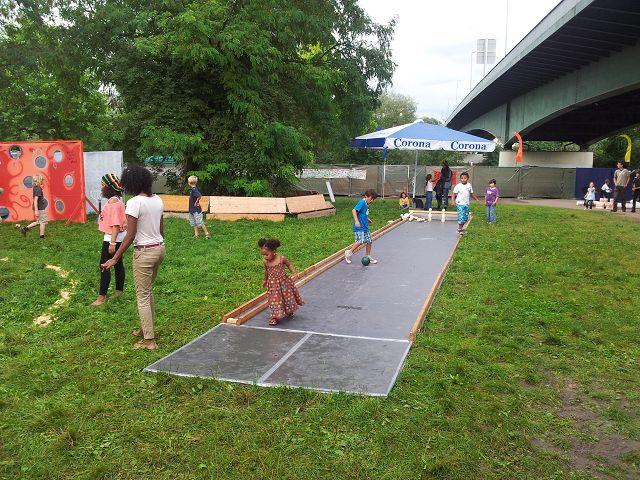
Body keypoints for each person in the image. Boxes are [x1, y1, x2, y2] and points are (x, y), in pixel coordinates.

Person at [101, 166, 165, 350]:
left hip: (144, 253)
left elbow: (130, 234)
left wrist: (115, 258)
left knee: (142, 296)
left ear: (132, 183)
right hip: (159, 249)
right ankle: (146, 328)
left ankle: (149, 341)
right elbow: (161, 229)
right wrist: (157, 243)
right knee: (147, 291)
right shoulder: (157, 199)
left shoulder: (135, 202)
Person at [91, 174, 126, 306]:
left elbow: (116, 224)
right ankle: (119, 291)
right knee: (117, 263)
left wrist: (112, 242)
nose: (101, 187)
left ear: (108, 186)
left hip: (113, 237)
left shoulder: (113, 201)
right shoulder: (118, 199)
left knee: (104, 265)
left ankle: (101, 298)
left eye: (102, 185)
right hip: (118, 237)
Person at [258, 238, 304, 326]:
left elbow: (289, 265)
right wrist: (265, 280)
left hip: (284, 283)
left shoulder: (281, 259)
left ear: (274, 251)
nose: (265, 257)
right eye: (263, 255)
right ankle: (275, 317)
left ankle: (288, 310)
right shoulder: (265, 261)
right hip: (273, 285)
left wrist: (294, 273)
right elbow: (267, 271)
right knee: (275, 300)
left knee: (286, 297)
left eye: (266, 254)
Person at [345, 189, 377, 264]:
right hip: (359, 226)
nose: (372, 200)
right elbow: (354, 210)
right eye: (371, 198)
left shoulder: (366, 204)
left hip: (365, 226)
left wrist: (368, 219)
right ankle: (348, 252)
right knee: (360, 241)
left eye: (373, 199)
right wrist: (356, 221)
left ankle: (368, 255)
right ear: (367, 196)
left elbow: (362, 213)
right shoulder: (362, 202)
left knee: (369, 241)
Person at [16, 174, 48, 238]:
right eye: (42, 180)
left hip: (38, 208)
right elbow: (35, 200)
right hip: (39, 208)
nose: (42, 181)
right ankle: (42, 236)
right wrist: (36, 210)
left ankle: (24, 229)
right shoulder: (38, 189)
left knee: (39, 221)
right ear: (39, 181)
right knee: (43, 222)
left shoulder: (36, 188)